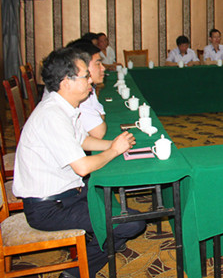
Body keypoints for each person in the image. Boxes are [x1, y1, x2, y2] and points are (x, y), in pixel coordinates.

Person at [13, 47, 146, 278]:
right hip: (49, 207)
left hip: (67, 193)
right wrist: (114, 150)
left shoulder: (63, 106)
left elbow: (83, 140)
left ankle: (100, 239)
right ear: (66, 83)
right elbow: (82, 167)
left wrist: (114, 144)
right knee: (132, 223)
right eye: (85, 76)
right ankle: (75, 272)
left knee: (109, 199)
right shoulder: (52, 115)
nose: (90, 81)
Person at [67, 39, 108, 139]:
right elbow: (98, 132)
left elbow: (101, 113)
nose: (103, 68)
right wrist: (98, 117)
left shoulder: (88, 87)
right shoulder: (77, 91)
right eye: (98, 64)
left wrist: (98, 116)